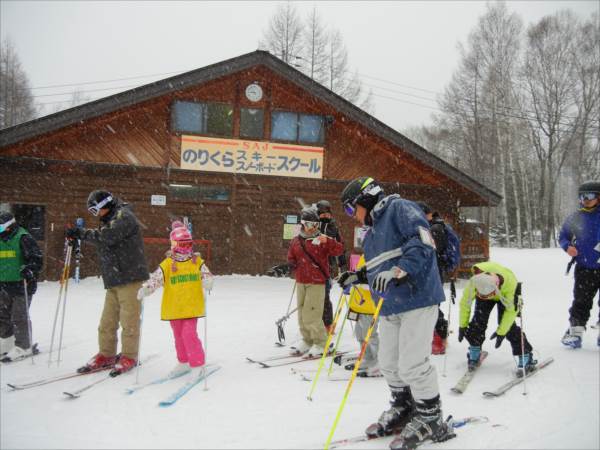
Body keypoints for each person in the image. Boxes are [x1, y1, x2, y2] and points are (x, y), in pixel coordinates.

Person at [338, 177, 452, 450]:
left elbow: (422, 240)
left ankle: (431, 416)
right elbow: (380, 267)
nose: (354, 218)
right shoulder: (373, 231)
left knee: (413, 362)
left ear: (366, 198)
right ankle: (403, 407)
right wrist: (359, 276)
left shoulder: (399, 208)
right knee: (389, 362)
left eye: (352, 210)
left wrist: (402, 270)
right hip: (390, 304)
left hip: (417, 297)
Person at [67, 190, 149, 376]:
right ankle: (107, 354)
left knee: (129, 321)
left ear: (106, 204)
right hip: (114, 279)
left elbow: (108, 237)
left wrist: (82, 233)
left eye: (95, 210)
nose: (95, 215)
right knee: (107, 322)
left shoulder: (124, 216)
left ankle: (129, 355)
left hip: (130, 277)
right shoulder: (110, 218)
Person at [137, 221, 214, 377]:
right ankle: (184, 362)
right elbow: (156, 279)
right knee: (178, 337)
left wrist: (208, 281)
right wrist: (147, 288)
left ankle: (197, 364)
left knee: (189, 334)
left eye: (188, 244)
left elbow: (206, 275)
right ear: (174, 244)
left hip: (191, 307)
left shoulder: (197, 262)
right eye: (183, 245)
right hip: (174, 308)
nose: (186, 248)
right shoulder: (167, 264)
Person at [458, 261, 537, 375]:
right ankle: (475, 348)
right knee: (477, 322)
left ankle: (525, 354)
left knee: (509, 327)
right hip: (485, 291)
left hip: (504, 295)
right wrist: (462, 325)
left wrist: (501, 332)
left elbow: (511, 312)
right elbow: (465, 304)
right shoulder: (475, 281)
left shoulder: (510, 283)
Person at [287, 207, 344, 357]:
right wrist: (288, 266)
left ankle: (321, 342)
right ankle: (307, 340)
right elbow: (292, 258)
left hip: (317, 281)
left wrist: (329, 241)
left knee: (312, 314)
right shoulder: (296, 240)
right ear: (303, 224)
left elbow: (339, 250)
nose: (313, 228)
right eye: (311, 225)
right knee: (301, 313)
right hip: (301, 281)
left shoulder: (321, 239)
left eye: (316, 225)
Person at [415, 202, 461, 355]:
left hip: (432, 273)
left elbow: (432, 252)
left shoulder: (435, 229)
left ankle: (439, 339)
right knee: (429, 306)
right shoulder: (434, 227)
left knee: (431, 307)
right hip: (432, 273)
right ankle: (435, 338)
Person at [559, 181, 600, 348]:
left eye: (589, 196)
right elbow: (563, 236)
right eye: (582, 196)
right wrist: (567, 246)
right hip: (585, 267)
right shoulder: (575, 217)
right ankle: (575, 332)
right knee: (581, 300)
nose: (585, 200)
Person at [0, 212, 43, 361]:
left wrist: (30, 268)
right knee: (2, 314)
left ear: (9, 226)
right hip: (3, 283)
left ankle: (23, 346)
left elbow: (37, 259)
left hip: (22, 284)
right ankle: (7, 341)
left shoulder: (23, 238)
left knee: (19, 316)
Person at [344, 252, 381, 377]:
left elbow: (375, 283)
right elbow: (359, 275)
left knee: (370, 335)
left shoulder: (378, 256)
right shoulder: (364, 256)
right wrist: (349, 281)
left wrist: (358, 282)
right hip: (358, 304)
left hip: (370, 306)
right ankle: (367, 358)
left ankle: (379, 361)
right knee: (360, 335)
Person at [316, 199, 347, 333]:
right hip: (313, 265)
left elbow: (341, 247)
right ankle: (315, 322)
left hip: (327, 267)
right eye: (323, 214)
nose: (325, 216)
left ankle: (328, 324)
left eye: (328, 214)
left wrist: (342, 264)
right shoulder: (313, 225)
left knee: (325, 296)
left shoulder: (333, 227)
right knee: (313, 297)